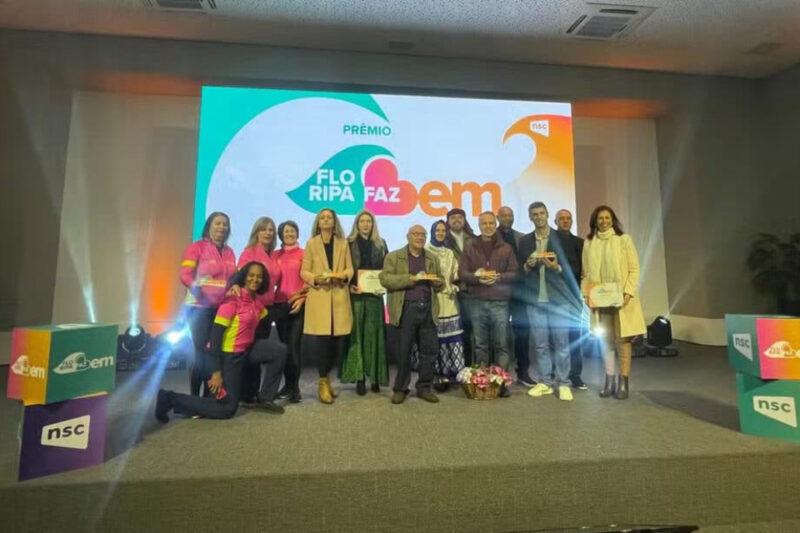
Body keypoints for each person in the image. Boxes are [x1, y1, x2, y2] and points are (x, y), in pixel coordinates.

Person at [156, 262, 287, 421]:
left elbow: (270, 317)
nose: (255, 279)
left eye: (259, 276)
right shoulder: (231, 301)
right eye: (251, 275)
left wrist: (294, 301)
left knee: (279, 350)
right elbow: (215, 338)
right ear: (244, 278)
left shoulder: (255, 302)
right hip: (229, 356)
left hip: (247, 350)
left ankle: (266, 398)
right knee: (227, 409)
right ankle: (168, 398)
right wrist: (216, 373)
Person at [518, 202, 583, 402]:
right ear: (530, 217)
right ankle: (545, 382)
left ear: (547, 215)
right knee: (540, 344)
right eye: (534, 214)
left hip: (559, 300)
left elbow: (573, 270)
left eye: (541, 213)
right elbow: (520, 272)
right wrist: (527, 265)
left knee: (562, 343)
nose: (538, 217)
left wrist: (557, 267)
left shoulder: (561, 238)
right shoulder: (525, 241)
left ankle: (563, 383)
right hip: (535, 300)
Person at [581, 205, 646, 400]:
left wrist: (627, 292)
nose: (604, 221)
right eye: (600, 218)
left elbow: (634, 269)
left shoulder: (623, 240)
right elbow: (585, 274)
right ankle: (608, 380)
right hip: (600, 303)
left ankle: (623, 381)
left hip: (622, 301)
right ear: (595, 221)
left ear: (613, 220)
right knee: (606, 341)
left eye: (607, 218)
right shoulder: (589, 242)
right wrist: (587, 294)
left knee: (623, 341)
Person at [380, 225, 444, 404]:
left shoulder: (432, 257)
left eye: (423, 235)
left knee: (429, 351)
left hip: (428, 309)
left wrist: (439, 283)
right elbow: (385, 279)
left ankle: (424, 387)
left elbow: (441, 282)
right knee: (403, 351)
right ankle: (401, 388)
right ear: (408, 236)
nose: (420, 238)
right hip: (405, 308)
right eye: (416, 234)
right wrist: (411, 279)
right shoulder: (394, 256)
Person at [458, 211, 518, 397]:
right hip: (477, 301)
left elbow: (514, 272)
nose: (488, 226)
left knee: (501, 344)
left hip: (500, 302)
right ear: (479, 225)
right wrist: (477, 278)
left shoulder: (506, 248)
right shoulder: (470, 246)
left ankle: (502, 383)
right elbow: (463, 273)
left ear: (496, 223)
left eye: (491, 223)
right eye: (484, 223)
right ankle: (483, 382)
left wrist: (498, 277)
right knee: (481, 345)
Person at [179, 211, 237, 397]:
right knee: (201, 352)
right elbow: (185, 275)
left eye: (225, 224)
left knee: (215, 351)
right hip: (198, 308)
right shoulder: (196, 247)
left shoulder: (230, 251)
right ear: (209, 226)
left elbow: (231, 279)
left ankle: (209, 396)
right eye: (218, 223)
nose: (222, 227)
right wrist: (197, 289)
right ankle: (195, 397)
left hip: (220, 308)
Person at [300, 208, 353, 404]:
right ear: (318, 222)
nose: (326, 220)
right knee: (322, 345)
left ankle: (327, 379)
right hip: (320, 298)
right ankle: (322, 382)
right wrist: (316, 278)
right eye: (322, 217)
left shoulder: (343, 243)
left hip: (338, 298)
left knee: (336, 346)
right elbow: (304, 271)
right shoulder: (311, 243)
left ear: (334, 221)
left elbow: (350, 268)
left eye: (329, 217)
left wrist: (344, 275)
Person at [341, 210, 389, 395]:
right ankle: (360, 378)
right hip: (356, 295)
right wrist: (349, 286)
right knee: (357, 336)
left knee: (375, 336)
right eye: (362, 221)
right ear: (357, 224)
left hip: (375, 297)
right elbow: (343, 268)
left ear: (373, 224)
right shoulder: (348, 243)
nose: (365, 224)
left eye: (369, 221)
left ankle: (375, 377)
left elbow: (387, 269)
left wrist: (384, 285)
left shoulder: (381, 243)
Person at [237, 217, 282, 403]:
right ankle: (246, 393)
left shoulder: (273, 255)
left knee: (258, 349)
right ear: (257, 232)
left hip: (267, 310)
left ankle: (255, 392)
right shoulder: (249, 253)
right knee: (249, 350)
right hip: (252, 309)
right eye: (264, 229)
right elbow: (240, 278)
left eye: (271, 230)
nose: (268, 233)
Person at [420, 220, 465, 389]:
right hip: (432, 299)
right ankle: (437, 375)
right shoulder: (424, 251)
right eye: (437, 230)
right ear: (432, 232)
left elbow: (454, 274)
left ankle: (453, 373)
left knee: (452, 337)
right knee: (435, 338)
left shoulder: (449, 252)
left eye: (443, 230)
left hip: (449, 299)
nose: (440, 233)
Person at [498, 206, 534, 386]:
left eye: (510, 215)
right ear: (498, 217)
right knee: (499, 335)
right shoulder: (489, 237)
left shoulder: (522, 238)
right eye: (504, 215)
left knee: (523, 332)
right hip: (498, 293)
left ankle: (523, 372)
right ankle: (499, 373)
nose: (507, 218)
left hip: (519, 292)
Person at [555, 208, 588, 391]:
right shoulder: (550, 242)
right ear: (555, 221)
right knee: (557, 339)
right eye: (562, 219)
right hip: (556, 297)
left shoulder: (580, 243)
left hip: (574, 297)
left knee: (576, 336)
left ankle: (575, 375)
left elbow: (584, 271)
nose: (565, 221)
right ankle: (558, 373)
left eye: (568, 219)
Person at [273, 220, 307, 403]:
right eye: (286, 232)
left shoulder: (304, 254)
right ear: (280, 235)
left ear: (297, 233)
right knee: (284, 348)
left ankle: (295, 388)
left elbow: (310, 280)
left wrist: (302, 299)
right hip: (279, 305)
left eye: (292, 231)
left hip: (298, 305)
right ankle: (287, 385)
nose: (289, 234)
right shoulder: (274, 255)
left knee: (294, 348)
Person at [444, 207, 477, 365]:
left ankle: (470, 366)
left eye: (460, 217)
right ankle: (454, 366)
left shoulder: (474, 239)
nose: (457, 220)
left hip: (472, 290)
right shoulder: (442, 240)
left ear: (464, 220)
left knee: (471, 329)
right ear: (448, 222)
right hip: (451, 291)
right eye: (453, 218)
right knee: (454, 330)